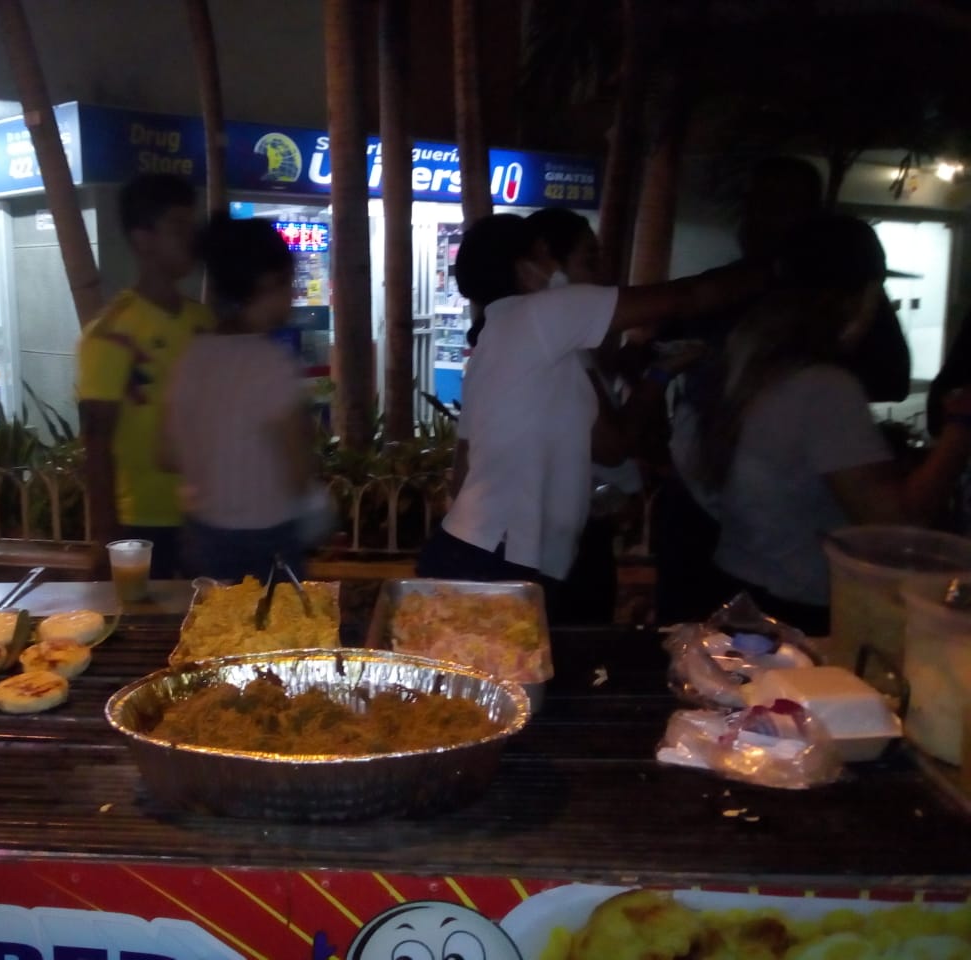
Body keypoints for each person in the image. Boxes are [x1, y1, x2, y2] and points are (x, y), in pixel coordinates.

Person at [415, 213, 768, 612]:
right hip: (499, 559)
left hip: (480, 551)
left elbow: (463, 470)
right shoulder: (543, 315)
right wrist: (776, 267)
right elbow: (687, 296)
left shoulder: (502, 336)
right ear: (536, 260)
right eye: (589, 259)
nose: (601, 275)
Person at [675, 215, 971, 634]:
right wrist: (959, 429)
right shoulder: (825, 390)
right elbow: (896, 523)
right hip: (800, 610)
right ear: (865, 295)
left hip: (740, 588)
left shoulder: (749, 367)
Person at [652, 155, 912, 624]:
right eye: (758, 204)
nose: (762, 217)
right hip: (741, 543)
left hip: (759, 539)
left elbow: (891, 376)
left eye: (781, 206)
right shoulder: (725, 296)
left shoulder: (805, 352)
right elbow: (896, 526)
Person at [159, 215, 313, 582]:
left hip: (204, 535)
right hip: (269, 540)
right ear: (267, 283)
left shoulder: (191, 356)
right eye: (289, 283)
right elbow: (298, 473)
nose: (293, 295)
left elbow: (164, 455)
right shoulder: (272, 362)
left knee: (217, 633)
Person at [77, 173, 213, 580]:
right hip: (143, 523)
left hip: (209, 514)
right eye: (178, 227)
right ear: (143, 239)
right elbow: (96, 441)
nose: (191, 238)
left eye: (192, 226)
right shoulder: (111, 334)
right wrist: (107, 537)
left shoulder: (205, 323)